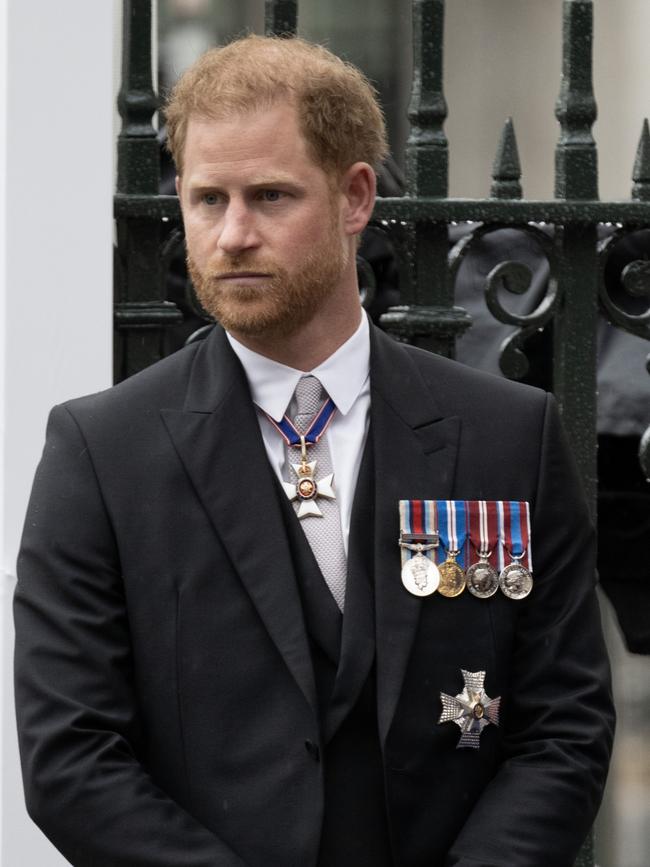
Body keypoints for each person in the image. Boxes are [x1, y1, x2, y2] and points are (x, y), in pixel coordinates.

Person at [14, 35, 614, 867]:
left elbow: (565, 722)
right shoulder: (100, 452)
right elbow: (69, 757)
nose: (232, 236)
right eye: (206, 199)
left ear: (354, 196)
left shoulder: (507, 434)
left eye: (269, 196)